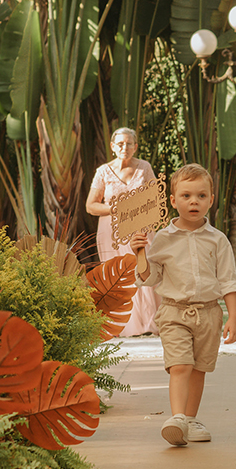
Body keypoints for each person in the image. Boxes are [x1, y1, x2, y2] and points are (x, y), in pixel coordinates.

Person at [129, 164, 236, 447]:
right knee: (180, 365)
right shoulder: (163, 239)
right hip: (174, 312)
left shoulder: (218, 240)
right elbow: (149, 277)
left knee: (199, 369)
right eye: (186, 195)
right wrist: (140, 253)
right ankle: (177, 417)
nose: (194, 201)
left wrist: (233, 317)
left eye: (201, 196)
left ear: (211, 199)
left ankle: (190, 420)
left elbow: (228, 280)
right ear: (173, 201)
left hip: (209, 314)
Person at [86, 127, 159, 335]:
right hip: (111, 232)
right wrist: (118, 209)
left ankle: (147, 324)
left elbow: (155, 198)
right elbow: (91, 206)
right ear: (112, 146)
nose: (124, 147)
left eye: (128, 143)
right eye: (120, 143)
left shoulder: (144, 168)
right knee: (117, 273)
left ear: (135, 146)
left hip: (139, 229)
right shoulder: (103, 172)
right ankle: (122, 325)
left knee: (141, 269)